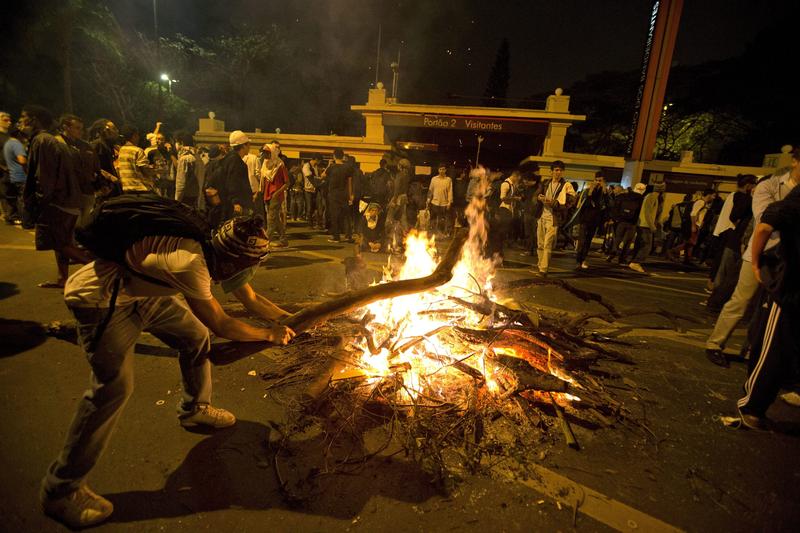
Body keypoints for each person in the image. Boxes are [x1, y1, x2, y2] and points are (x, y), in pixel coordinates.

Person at [39, 211, 296, 529]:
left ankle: (194, 408)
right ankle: (60, 490)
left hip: (146, 293)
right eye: (247, 265)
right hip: (101, 298)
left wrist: (292, 321)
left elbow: (250, 298)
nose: (249, 271)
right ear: (231, 259)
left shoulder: (215, 249)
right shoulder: (192, 265)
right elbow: (221, 323)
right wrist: (269, 335)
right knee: (113, 388)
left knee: (193, 337)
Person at [705, 148, 799, 367]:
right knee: (742, 300)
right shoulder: (770, 186)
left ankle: (752, 351)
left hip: (790, 258)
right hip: (761, 254)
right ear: (795, 161)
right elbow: (765, 219)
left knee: (770, 309)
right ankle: (715, 344)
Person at [735, 185, 800, 429]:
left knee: (781, 347)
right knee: (775, 348)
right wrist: (755, 263)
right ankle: (752, 406)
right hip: (792, 287)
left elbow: (766, 223)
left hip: (791, 286)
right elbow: (766, 223)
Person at [20, 104, 92, 289]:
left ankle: (100, 268)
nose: (20, 122)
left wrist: (39, 201)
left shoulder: (42, 141)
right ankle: (63, 279)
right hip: (68, 199)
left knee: (58, 242)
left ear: (34, 120)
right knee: (63, 241)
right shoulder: (54, 141)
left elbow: (43, 176)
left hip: (57, 202)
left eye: (23, 118)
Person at [57, 115, 103, 226]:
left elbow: (95, 167)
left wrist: (99, 182)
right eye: (77, 128)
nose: (81, 131)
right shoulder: (58, 144)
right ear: (66, 127)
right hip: (70, 191)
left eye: (81, 128)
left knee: (84, 223)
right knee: (72, 223)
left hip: (87, 190)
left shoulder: (85, 146)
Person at [534, 161, 575, 275]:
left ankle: (544, 269)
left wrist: (554, 203)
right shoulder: (546, 183)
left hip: (554, 218)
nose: (558, 172)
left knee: (548, 244)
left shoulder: (566, 185)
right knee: (540, 243)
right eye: (556, 170)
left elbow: (571, 202)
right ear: (551, 171)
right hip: (542, 215)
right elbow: (535, 195)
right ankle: (540, 265)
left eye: (560, 170)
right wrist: (539, 197)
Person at [207, 130, 254, 225]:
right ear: (243, 145)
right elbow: (233, 182)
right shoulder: (236, 162)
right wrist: (236, 202)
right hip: (234, 206)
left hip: (225, 203)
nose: (249, 146)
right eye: (248, 144)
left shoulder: (227, 159)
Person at [668, 189, 715, 264]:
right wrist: (693, 226)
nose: (713, 198)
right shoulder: (701, 202)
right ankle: (673, 251)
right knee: (691, 243)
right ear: (709, 195)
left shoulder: (703, 203)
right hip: (694, 225)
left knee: (690, 244)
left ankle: (687, 260)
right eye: (713, 195)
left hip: (696, 225)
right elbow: (693, 214)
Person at [629, 182, 665, 273]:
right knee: (646, 246)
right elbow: (647, 211)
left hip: (644, 224)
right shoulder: (652, 196)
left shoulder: (653, 196)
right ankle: (636, 262)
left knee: (640, 244)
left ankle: (633, 260)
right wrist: (652, 226)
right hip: (645, 225)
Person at [605, 182, 645, 265]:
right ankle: (622, 258)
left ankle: (612, 254)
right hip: (632, 223)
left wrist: (616, 218)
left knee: (618, 238)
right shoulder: (641, 198)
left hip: (621, 221)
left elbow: (616, 207)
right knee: (627, 241)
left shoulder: (626, 196)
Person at [573, 173, 607, 269]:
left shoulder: (604, 193)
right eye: (596, 180)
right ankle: (578, 260)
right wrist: (590, 193)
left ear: (603, 182)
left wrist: (605, 193)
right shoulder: (587, 191)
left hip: (595, 221)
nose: (598, 182)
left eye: (600, 181)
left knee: (588, 242)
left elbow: (608, 206)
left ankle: (583, 259)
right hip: (585, 220)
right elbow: (582, 205)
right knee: (582, 241)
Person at [260, 141, 289, 247]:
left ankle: (264, 242)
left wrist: (277, 193)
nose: (265, 155)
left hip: (275, 196)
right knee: (275, 218)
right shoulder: (265, 165)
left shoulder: (280, 165)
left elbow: (287, 183)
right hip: (267, 195)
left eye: (267, 153)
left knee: (271, 220)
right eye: (264, 153)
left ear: (272, 153)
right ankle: (283, 239)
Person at [324, 148, 353, 243]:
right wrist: (350, 194)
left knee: (334, 215)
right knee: (346, 215)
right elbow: (349, 182)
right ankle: (348, 235)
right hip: (344, 193)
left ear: (334, 156)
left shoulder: (332, 167)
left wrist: (328, 164)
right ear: (343, 156)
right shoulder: (347, 167)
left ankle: (336, 236)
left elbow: (322, 175)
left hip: (333, 194)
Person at [117, 125, 156, 193]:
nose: (138, 138)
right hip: (141, 189)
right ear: (134, 135)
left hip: (126, 189)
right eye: (138, 135)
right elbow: (145, 170)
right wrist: (154, 171)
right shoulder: (137, 150)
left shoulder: (121, 150)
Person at [2, 125, 27, 226]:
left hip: (11, 174)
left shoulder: (8, 143)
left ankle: (11, 217)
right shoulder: (17, 144)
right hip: (20, 175)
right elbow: (22, 160)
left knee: (12, 198)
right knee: (22, 198)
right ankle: (24, 220)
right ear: (19, 134)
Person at [174, 131, 200, 208]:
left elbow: (181, 183)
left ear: (181, 143)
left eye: (176, 142)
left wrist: (177, 201)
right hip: (195, 194)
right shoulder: (196, 156)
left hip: (186, 197)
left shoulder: (184, 159)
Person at [427, 163, 453, 236]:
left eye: (443, 169)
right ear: (438, 170)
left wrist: (449, 202)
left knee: (443, 220)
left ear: (445, 170)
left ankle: (441, 234)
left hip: (444, 204)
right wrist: (428, 199)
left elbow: (450, 192)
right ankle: (432, 234)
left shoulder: (448, 180)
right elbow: (430, 190)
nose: (442, 171)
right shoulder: (434, 179)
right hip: (434, 203)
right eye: (440, 169)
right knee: (433, 220)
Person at [302, 154, 320, 227]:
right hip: (308, 190)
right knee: (309, 207)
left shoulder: (314, 167)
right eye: (319, 161)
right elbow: (310, 177)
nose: (319, 163)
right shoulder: (307, 166)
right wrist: (318, 181)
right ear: (315, 159)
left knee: (314, 207)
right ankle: (310, 223)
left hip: (314, 189)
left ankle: (314, 222)